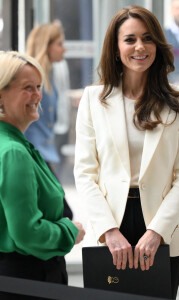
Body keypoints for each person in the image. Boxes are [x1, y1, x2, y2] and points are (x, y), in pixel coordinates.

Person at [74, 5, 179, 299]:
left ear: (158, 44)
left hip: (160, 226)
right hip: (110, 226)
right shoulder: (92, 99)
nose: (140, 47)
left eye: (147, 38)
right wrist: (108, 231)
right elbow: (85, 172)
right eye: (129, 39)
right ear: (116, 49)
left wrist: (157, 231)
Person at [0, 51, 85, 299]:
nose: (38, 95)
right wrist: (70, 231)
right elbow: (27, 232)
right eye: (28, 88)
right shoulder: (14, 152)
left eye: (38, 87)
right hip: (29, 281)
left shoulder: (15, 144)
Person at [25, 22, 73, 220]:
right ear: (47, 45)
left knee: (58, 212)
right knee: (62, 213)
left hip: (44, 155)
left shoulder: (49, 77)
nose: (64, 48)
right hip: (34, 156)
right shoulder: (32, 79)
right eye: (59, 44)